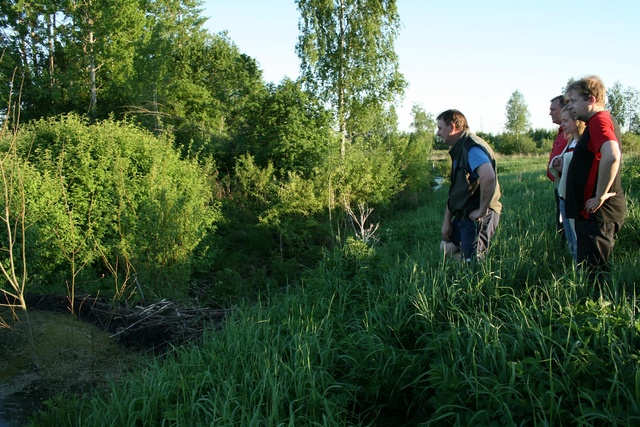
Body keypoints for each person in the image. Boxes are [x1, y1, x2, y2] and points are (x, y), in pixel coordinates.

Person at [564, 76, 626, 278]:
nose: (570, 106)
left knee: (596, 275)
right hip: (593, 214)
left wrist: (600, 195)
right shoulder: (596, 122)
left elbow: (612, 155)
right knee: (594, 270)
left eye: (573, 101)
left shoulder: (599, 121)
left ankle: (600, 307)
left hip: (597, 215)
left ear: (591, 99)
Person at [437, 109, 502, 261]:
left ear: (452, 127)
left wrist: (482, 210)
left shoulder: (471, 148)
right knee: (445, 249)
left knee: (473, 264)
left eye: (440, 128)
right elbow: (456, 191)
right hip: (464, 213)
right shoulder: (460, 148)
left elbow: (488, 177)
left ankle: (475, 279)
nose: (438, 133)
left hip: (475, 215)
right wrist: (446, 222)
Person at [549, 105, 586, 262]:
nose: (562, 124)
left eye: (566, 120)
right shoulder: (571, 142)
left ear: (577, 121)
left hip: (576, 198)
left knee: (578, 239)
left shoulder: (583, 143)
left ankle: (584, 275)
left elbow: (581, 171)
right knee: (571, 238)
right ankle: (578, 272)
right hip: (565, 195)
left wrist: (564, 166)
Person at [547, 95, 570, 241]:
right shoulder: (562, 131)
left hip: (566, 184)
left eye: (553, 109)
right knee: (561, 217)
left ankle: (568, 249)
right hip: (559, 183)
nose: (550, 113)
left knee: (566, 218)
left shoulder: (571, 133)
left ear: (564, 109)